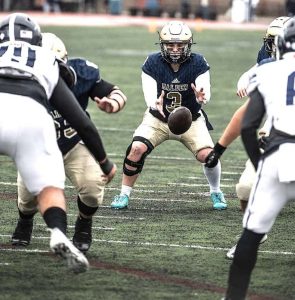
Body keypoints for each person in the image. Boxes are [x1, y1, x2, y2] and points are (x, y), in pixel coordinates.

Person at [0, 12, 117, 272]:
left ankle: (78, 228)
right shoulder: (44, 60)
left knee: (84, 185)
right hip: (31, 118)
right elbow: (83, 122)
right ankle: (58, 234)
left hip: (67, 142)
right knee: (48, 187)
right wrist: (105, 161)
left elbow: (110, 91)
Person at [111, 21, 227, 211]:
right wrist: (154, 103)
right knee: (137, 149)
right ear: (162, 45)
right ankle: (124, 193)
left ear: (188, 45)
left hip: (191, 119)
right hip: (158, 118)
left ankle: (215, 191)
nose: (175, 49)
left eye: (179, 45)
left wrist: (202, 96)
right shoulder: (152, 62)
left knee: (209, 156)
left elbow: (204, 88)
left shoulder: (198, 62)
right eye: (170, 45)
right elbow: (149, 93)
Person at [224, 15, 295, 299]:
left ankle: (233, 296)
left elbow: (247, 127)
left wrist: (260, 163)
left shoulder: (269, 72)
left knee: (251, 235)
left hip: (278, 155)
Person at [205, 16, 290, 259]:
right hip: (276, 134)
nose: (277, 47)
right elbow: (246, 114)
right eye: (274, 41)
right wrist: (219, 148)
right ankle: (254, 233)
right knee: (245, 188)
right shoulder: (268, 68)